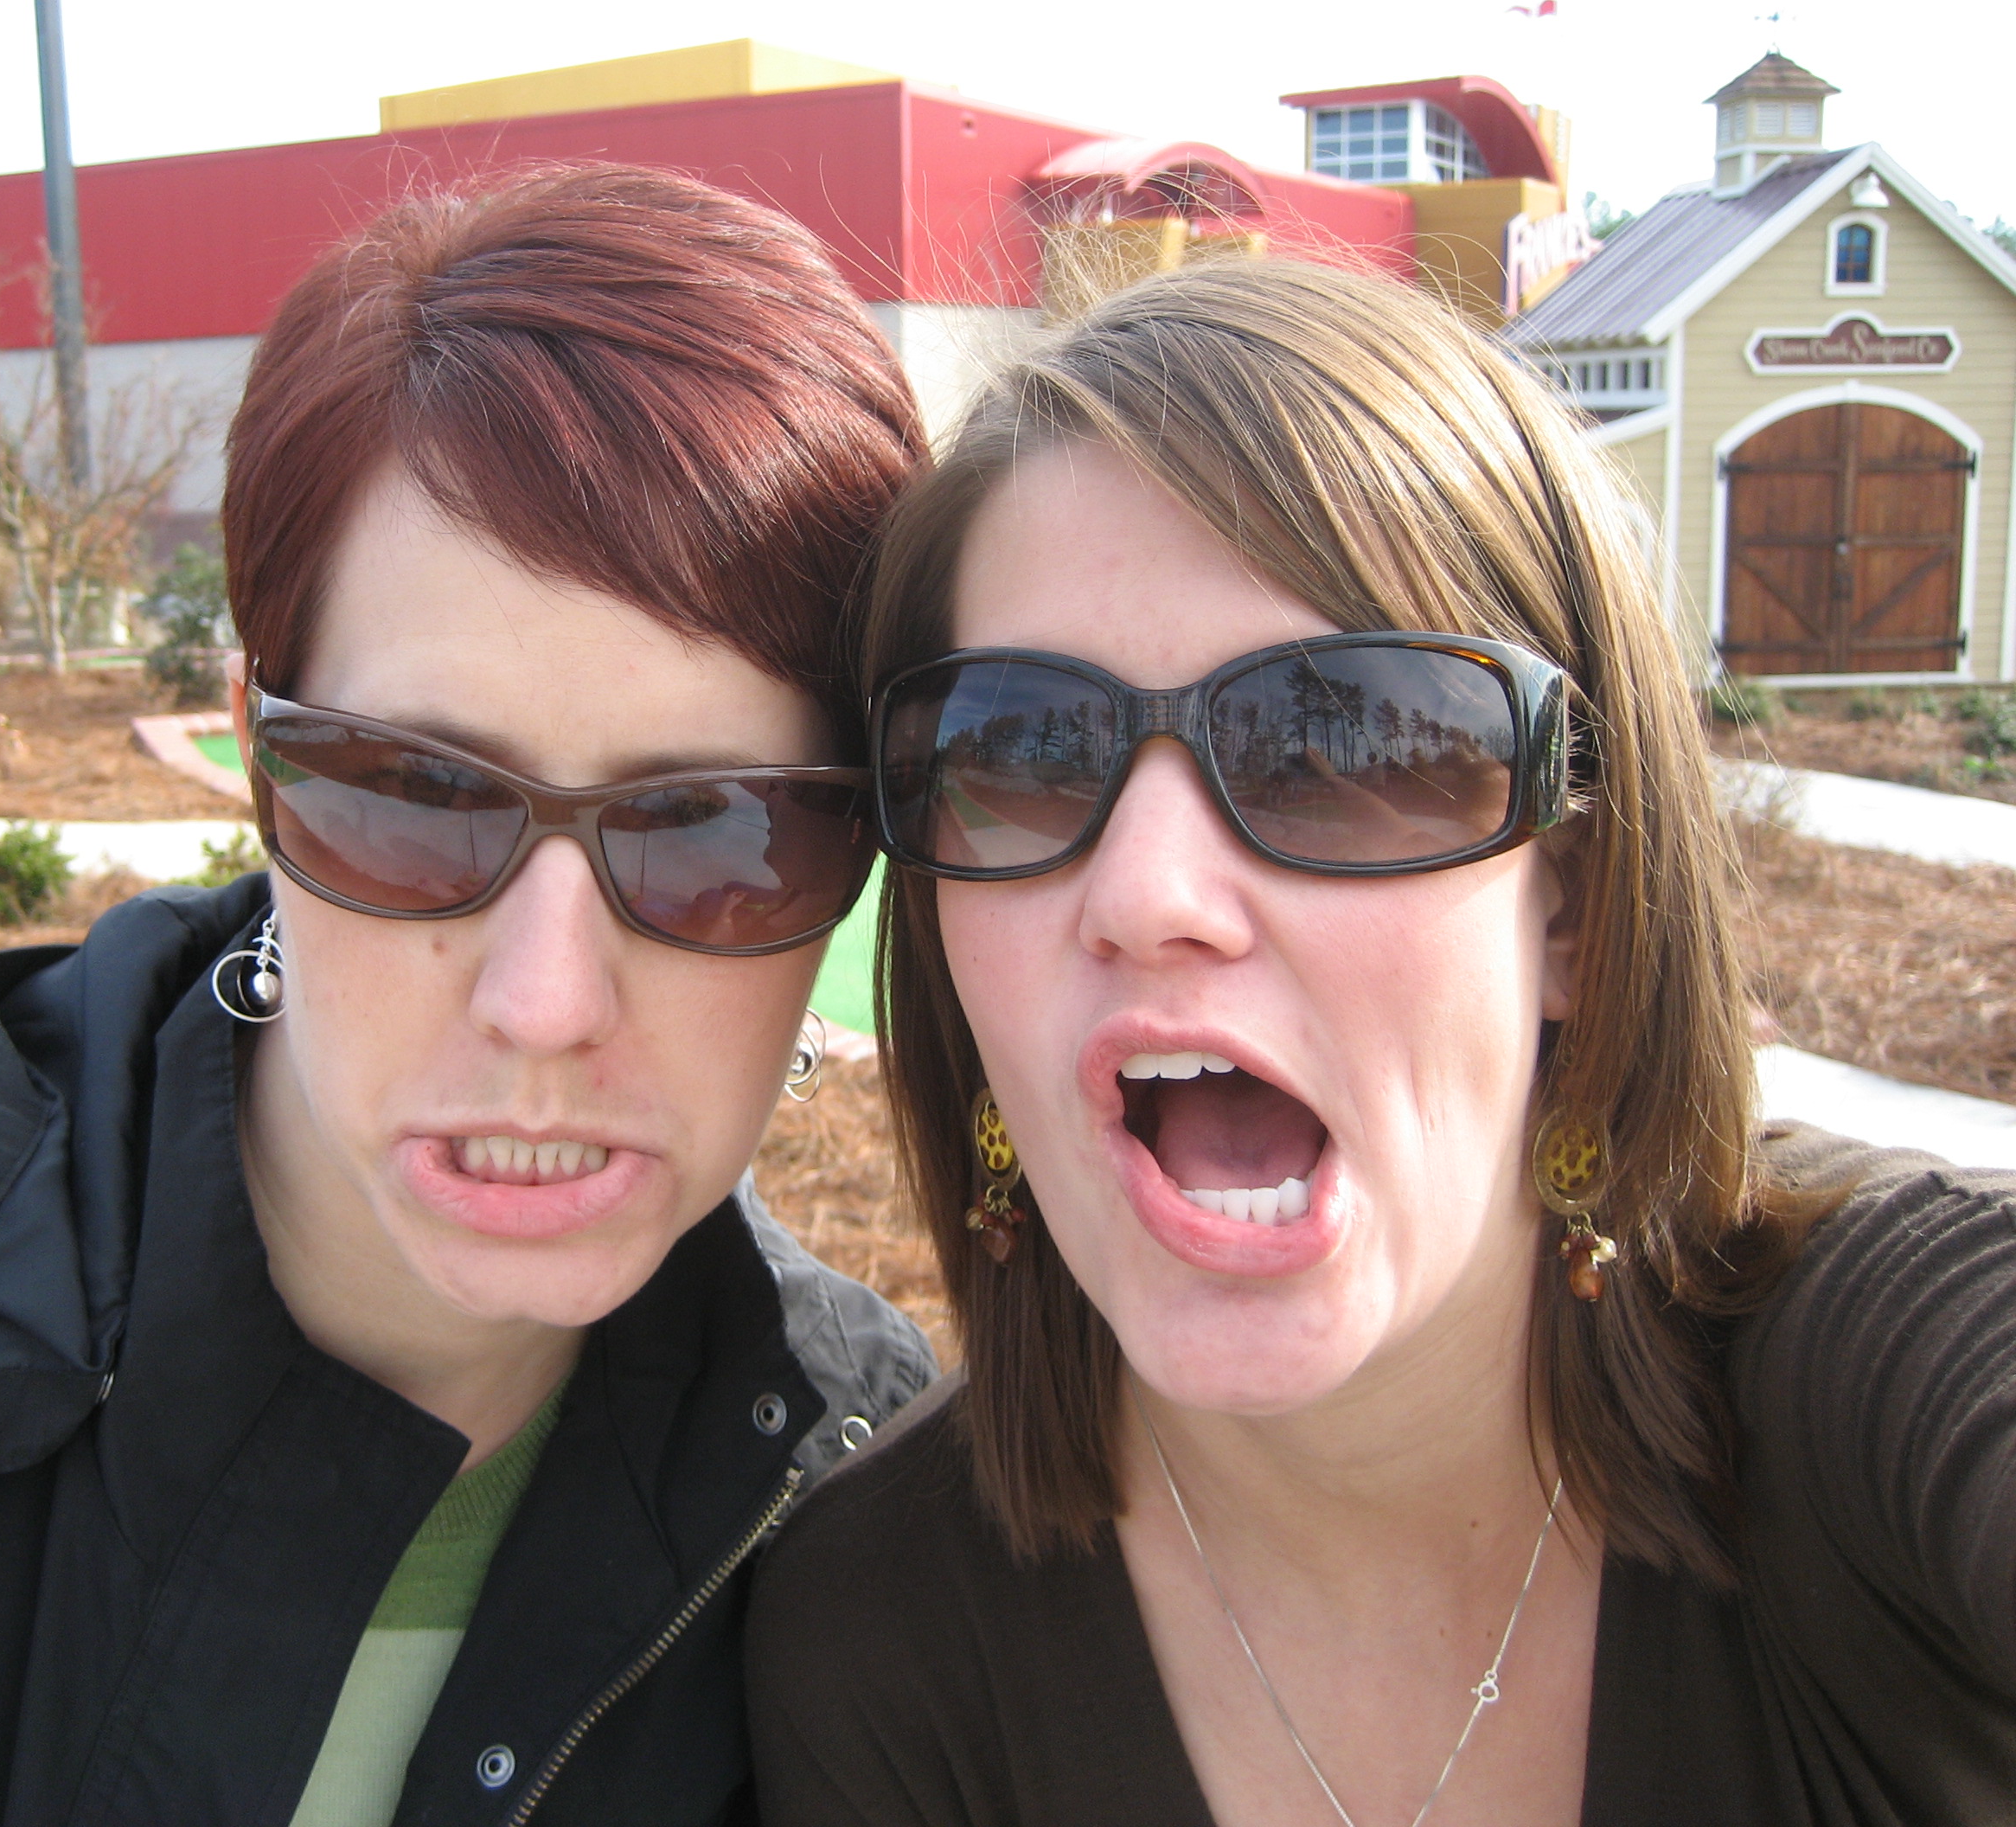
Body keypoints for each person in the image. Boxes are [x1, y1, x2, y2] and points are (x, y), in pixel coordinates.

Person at [0, 164, 937, 1827]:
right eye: (413, 799)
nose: (544, 1002)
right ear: (251, 752)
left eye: (721, 830)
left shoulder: (871, 1513)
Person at [746, 258, 2016, 1824]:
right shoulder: (878, 1647)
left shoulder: (1881, 1383)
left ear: (1572, 907)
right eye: (1022, 748)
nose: (1148, 896)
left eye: (1336, 741)